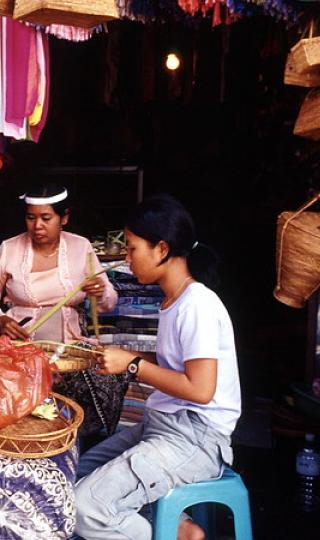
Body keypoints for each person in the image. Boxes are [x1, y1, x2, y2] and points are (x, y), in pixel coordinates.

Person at [74, 194, 241, 540]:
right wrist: (119, 356)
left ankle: (171, 534)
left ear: (161, 249)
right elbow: (173, 366)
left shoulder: (198, 304)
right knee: (74, 473)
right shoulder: (173, 300)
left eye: (133, 248)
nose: (126, 258)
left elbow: (200, 388)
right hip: (163, 424)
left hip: (195, 437)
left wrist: (133, 364)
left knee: (84, 509)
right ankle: (180, 529)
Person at [0, 183, 117, 343]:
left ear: (64, 217)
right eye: (31, 218)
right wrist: (0, 319)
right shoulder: (9, 249)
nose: (37, 226)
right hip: (17, 346)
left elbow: (109, 302)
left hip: (69, 347)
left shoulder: (81, 247)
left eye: (46, 218)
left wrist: (100, 291)